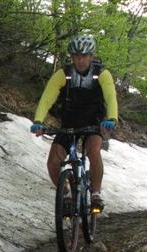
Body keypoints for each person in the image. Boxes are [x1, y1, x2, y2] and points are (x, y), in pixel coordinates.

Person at [30, 35, 118, 210]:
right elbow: (47, 98)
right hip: (69, 122)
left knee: (93, 151)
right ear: (71, 57)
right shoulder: (64, 74)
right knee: (53, 162)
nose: (80, 60)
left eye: (84, 56)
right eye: (76, 56)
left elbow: (110, 97)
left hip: (94, 121)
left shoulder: (102, 74)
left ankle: (95, 194)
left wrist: (112, 118)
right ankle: (66, 192)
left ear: (91, 56)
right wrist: (38, 120)